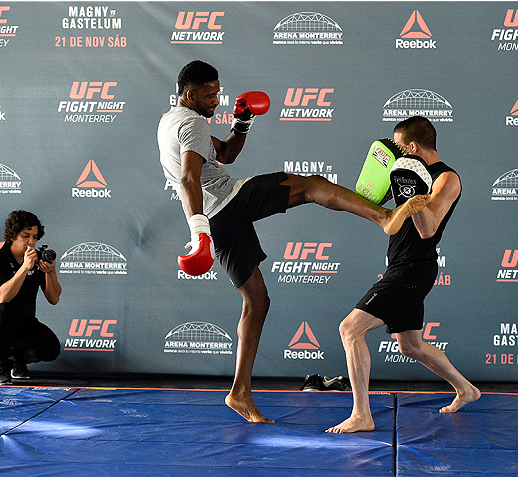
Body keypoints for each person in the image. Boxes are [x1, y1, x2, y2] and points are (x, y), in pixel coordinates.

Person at [157, 60, 428, 423]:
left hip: (219, 219)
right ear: (190, 94)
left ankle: (239, 392)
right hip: (224, 204)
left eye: (218, 92)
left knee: (257, 300)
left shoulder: (171, 120)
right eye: (210, 94)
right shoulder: (191, 123)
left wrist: (243, 122)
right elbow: (190, 176)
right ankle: (384, 217)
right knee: (312, 185)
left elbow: (225, 155)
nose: (217, 100)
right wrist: (197, 231)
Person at [327, 116, 480, 434]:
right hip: (399, 263)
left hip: (415, 267)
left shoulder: (446, 178)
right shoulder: (401, 174)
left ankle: (361, 415)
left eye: (398, 146)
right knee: (410, 345)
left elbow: (428, 229)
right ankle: (466, 390)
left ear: (412, 146)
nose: (394, 152)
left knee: (350, 329)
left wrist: (413, 195)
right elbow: (385, 215)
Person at [0, 210, 62, 386]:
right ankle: (2, 367)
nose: (31, 242)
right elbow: (3, 297)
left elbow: (53, 298)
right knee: (6, 309)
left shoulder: (37, 260)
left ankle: (18, 360)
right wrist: (24, 267)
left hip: (23, 321)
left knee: (51, 348)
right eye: (26, 236)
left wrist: (50, 272)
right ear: (13, 235)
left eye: (35, 237)